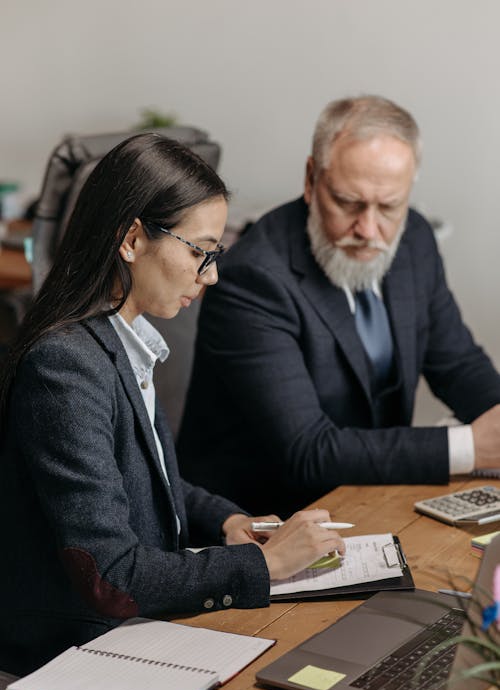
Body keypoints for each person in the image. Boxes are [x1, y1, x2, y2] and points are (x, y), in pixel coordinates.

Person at [0, 133, 345, 677]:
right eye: (198, 251)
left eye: (215, 254)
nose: (211, 275)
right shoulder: (64, 366)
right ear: (131, 239)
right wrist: (263, 563)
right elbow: (111, 575)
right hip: (68, 661)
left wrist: (228, 520)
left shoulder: (119, 339)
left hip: (131, 635)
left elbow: (140, 474)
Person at [177, 96, 500, 517]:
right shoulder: (252, 278)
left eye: (388, 207)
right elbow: (308, 450)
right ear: (312, 180)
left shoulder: (415, 239)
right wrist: (471, 448)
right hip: (262, 522)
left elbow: (457, 364)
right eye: (348, 202)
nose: (368, 229)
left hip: (369, 495)